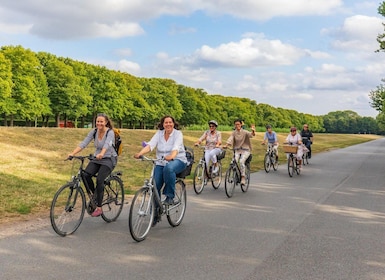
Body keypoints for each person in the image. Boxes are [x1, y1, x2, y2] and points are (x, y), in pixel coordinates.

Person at [68, 113, 118, 217]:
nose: (99, 123)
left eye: (101, 121)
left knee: (100, 179)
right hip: (97, 158)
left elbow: (107, 145)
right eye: (97, 121)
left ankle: (99, 207)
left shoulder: (110, 132)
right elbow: (84, 143)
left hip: (109, 158)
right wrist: (73, 153)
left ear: (106, 122)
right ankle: (96, 195)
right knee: (85, 175)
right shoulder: (94, 131)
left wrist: (102, 153)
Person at [134, 115, 187, 207]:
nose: (168, 124)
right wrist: (140, 153)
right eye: (166, 122)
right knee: (155, 185)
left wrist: (171, 156)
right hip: (161, 162)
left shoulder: (178, 134)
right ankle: (155, 212)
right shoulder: (159, 133)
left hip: (178, 160)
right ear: (163, 124)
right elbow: (150, 145)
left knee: (169, 168)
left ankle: (170, 196)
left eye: (170, 122)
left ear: (173, 124)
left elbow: (176, 147)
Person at [224, 119, 255, 186]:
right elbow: (230, 138)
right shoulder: (234, 132)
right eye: (235, 124)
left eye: (238, 124)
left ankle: (243, 177)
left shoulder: (245, 132)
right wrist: (226, 145)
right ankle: (234, 174)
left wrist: (253, 130)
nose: (237, 125)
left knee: (241, 161)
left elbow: (251, 135)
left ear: (241, 125)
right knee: (233, 161)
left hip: (246, 150)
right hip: (237, 150)